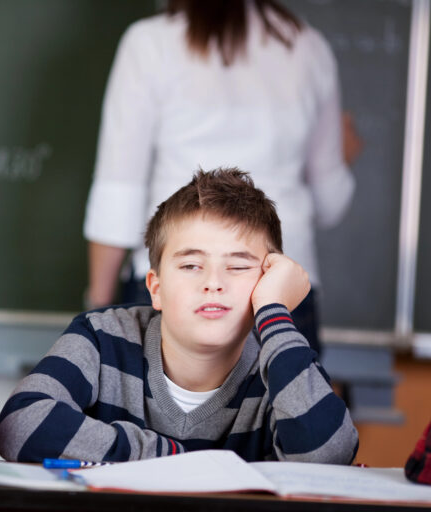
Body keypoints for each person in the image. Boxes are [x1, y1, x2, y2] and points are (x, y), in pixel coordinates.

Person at [0, 168, 358, 463]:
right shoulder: (102, 338)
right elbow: (20, 424)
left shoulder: (282, 369)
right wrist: (166, 456)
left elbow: (328, 455)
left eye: (237, 267)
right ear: (155, 287)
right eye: (190, 265)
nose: (213, 283)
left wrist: (274, 313)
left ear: (267, 283)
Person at [84, 0, 361, 354]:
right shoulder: (308, 47)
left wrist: (98, 306)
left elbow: (118, 191)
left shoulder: (149, 44)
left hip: (176, 278)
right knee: (287, 407)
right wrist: (343, 158)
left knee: (155, 410)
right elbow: (330, 202)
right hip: (280, 286)